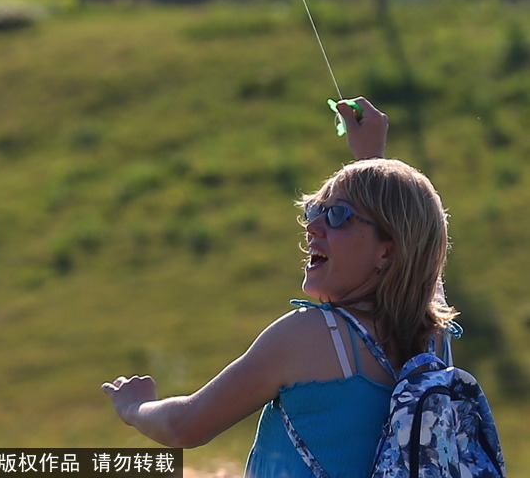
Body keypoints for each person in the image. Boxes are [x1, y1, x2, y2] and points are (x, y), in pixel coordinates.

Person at [102, 97, 458, 477]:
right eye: (315, 211)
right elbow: (418, 259)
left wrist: (134, 407)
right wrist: (371, 159)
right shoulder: (434, 340)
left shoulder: (310, 336)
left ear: (387, 251)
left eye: (337, 216)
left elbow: (184, 425)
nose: (313, 226)